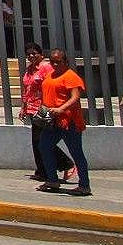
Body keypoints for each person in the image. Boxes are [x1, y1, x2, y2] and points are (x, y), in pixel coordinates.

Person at [36, 48, 91, 196]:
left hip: (69, 121)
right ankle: (52, 180)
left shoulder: (70, 76)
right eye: (52, 62)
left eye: (58, 62)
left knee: (76, 152)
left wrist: (61, 109)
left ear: (65, 61)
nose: (55, 65)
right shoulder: (50, 75)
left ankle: (84, 185)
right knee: (44, 146)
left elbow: (75, 97)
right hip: (52, 121)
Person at [21, 43, 73, 183]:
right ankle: (42, 171)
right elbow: (27, 89)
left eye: (34, 53)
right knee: (36, 142)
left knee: (41, 141)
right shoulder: (29, 69)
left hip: (43, 108)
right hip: (32, 108)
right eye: (29, 54)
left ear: (41, 54)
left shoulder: (45, 67)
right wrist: (23, 107)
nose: (31, 56)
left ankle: (66, 164)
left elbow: (52, 85)